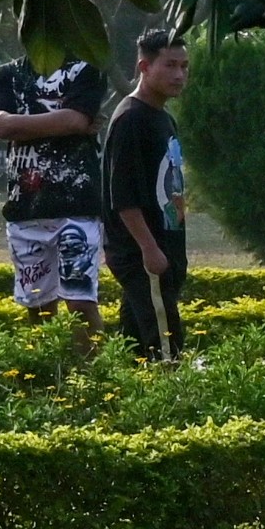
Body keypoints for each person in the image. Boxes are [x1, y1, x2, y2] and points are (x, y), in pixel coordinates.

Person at [0, 50, 110, 327]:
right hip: (25, 208)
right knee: (38, 307)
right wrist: (65, 122)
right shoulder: (6, 75)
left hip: (77, 205)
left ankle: (91, 371)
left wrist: (19, 122)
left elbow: (75, 120)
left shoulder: (87, 70)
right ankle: (44, 368)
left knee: (80, 302)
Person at [104, 29, 192, 358]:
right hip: (143, 255)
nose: (179, 75)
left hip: (164, 250)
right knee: (166, 346)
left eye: (184, 66)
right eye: (170, 66)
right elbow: (123, 197)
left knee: (135, 346)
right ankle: (175, 408)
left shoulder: (164, 119)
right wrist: (149, 249)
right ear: (144, 67)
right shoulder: (130, 120)